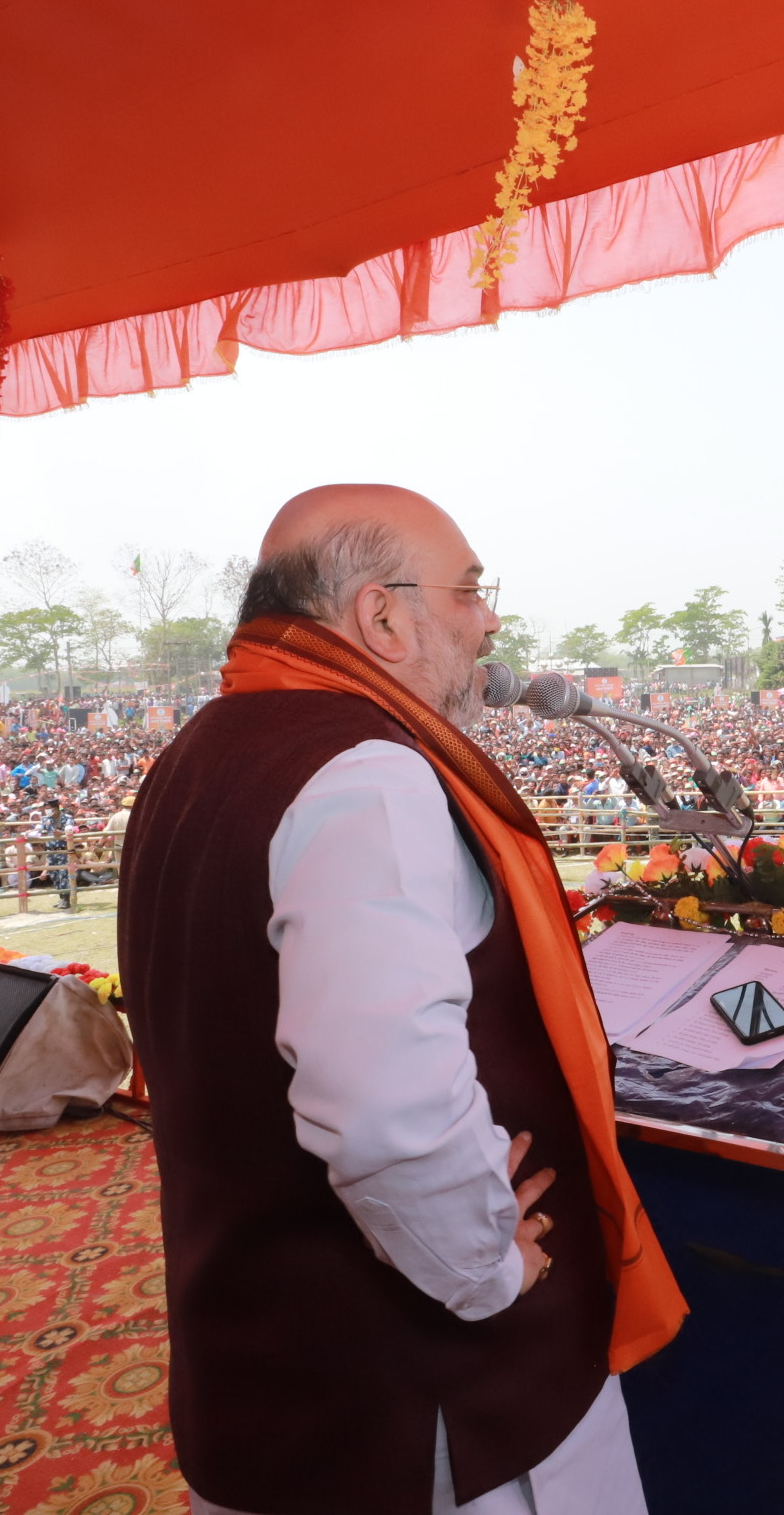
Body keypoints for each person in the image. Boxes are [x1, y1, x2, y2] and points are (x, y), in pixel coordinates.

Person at [120, 484, 684, 1515]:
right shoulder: (365, 775)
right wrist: (484, 1265)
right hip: (434, 1410)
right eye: (469, 590)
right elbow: (386, 1106)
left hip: (257, 1372)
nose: (491, 620)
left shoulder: (195, 754)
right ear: (382, 616)